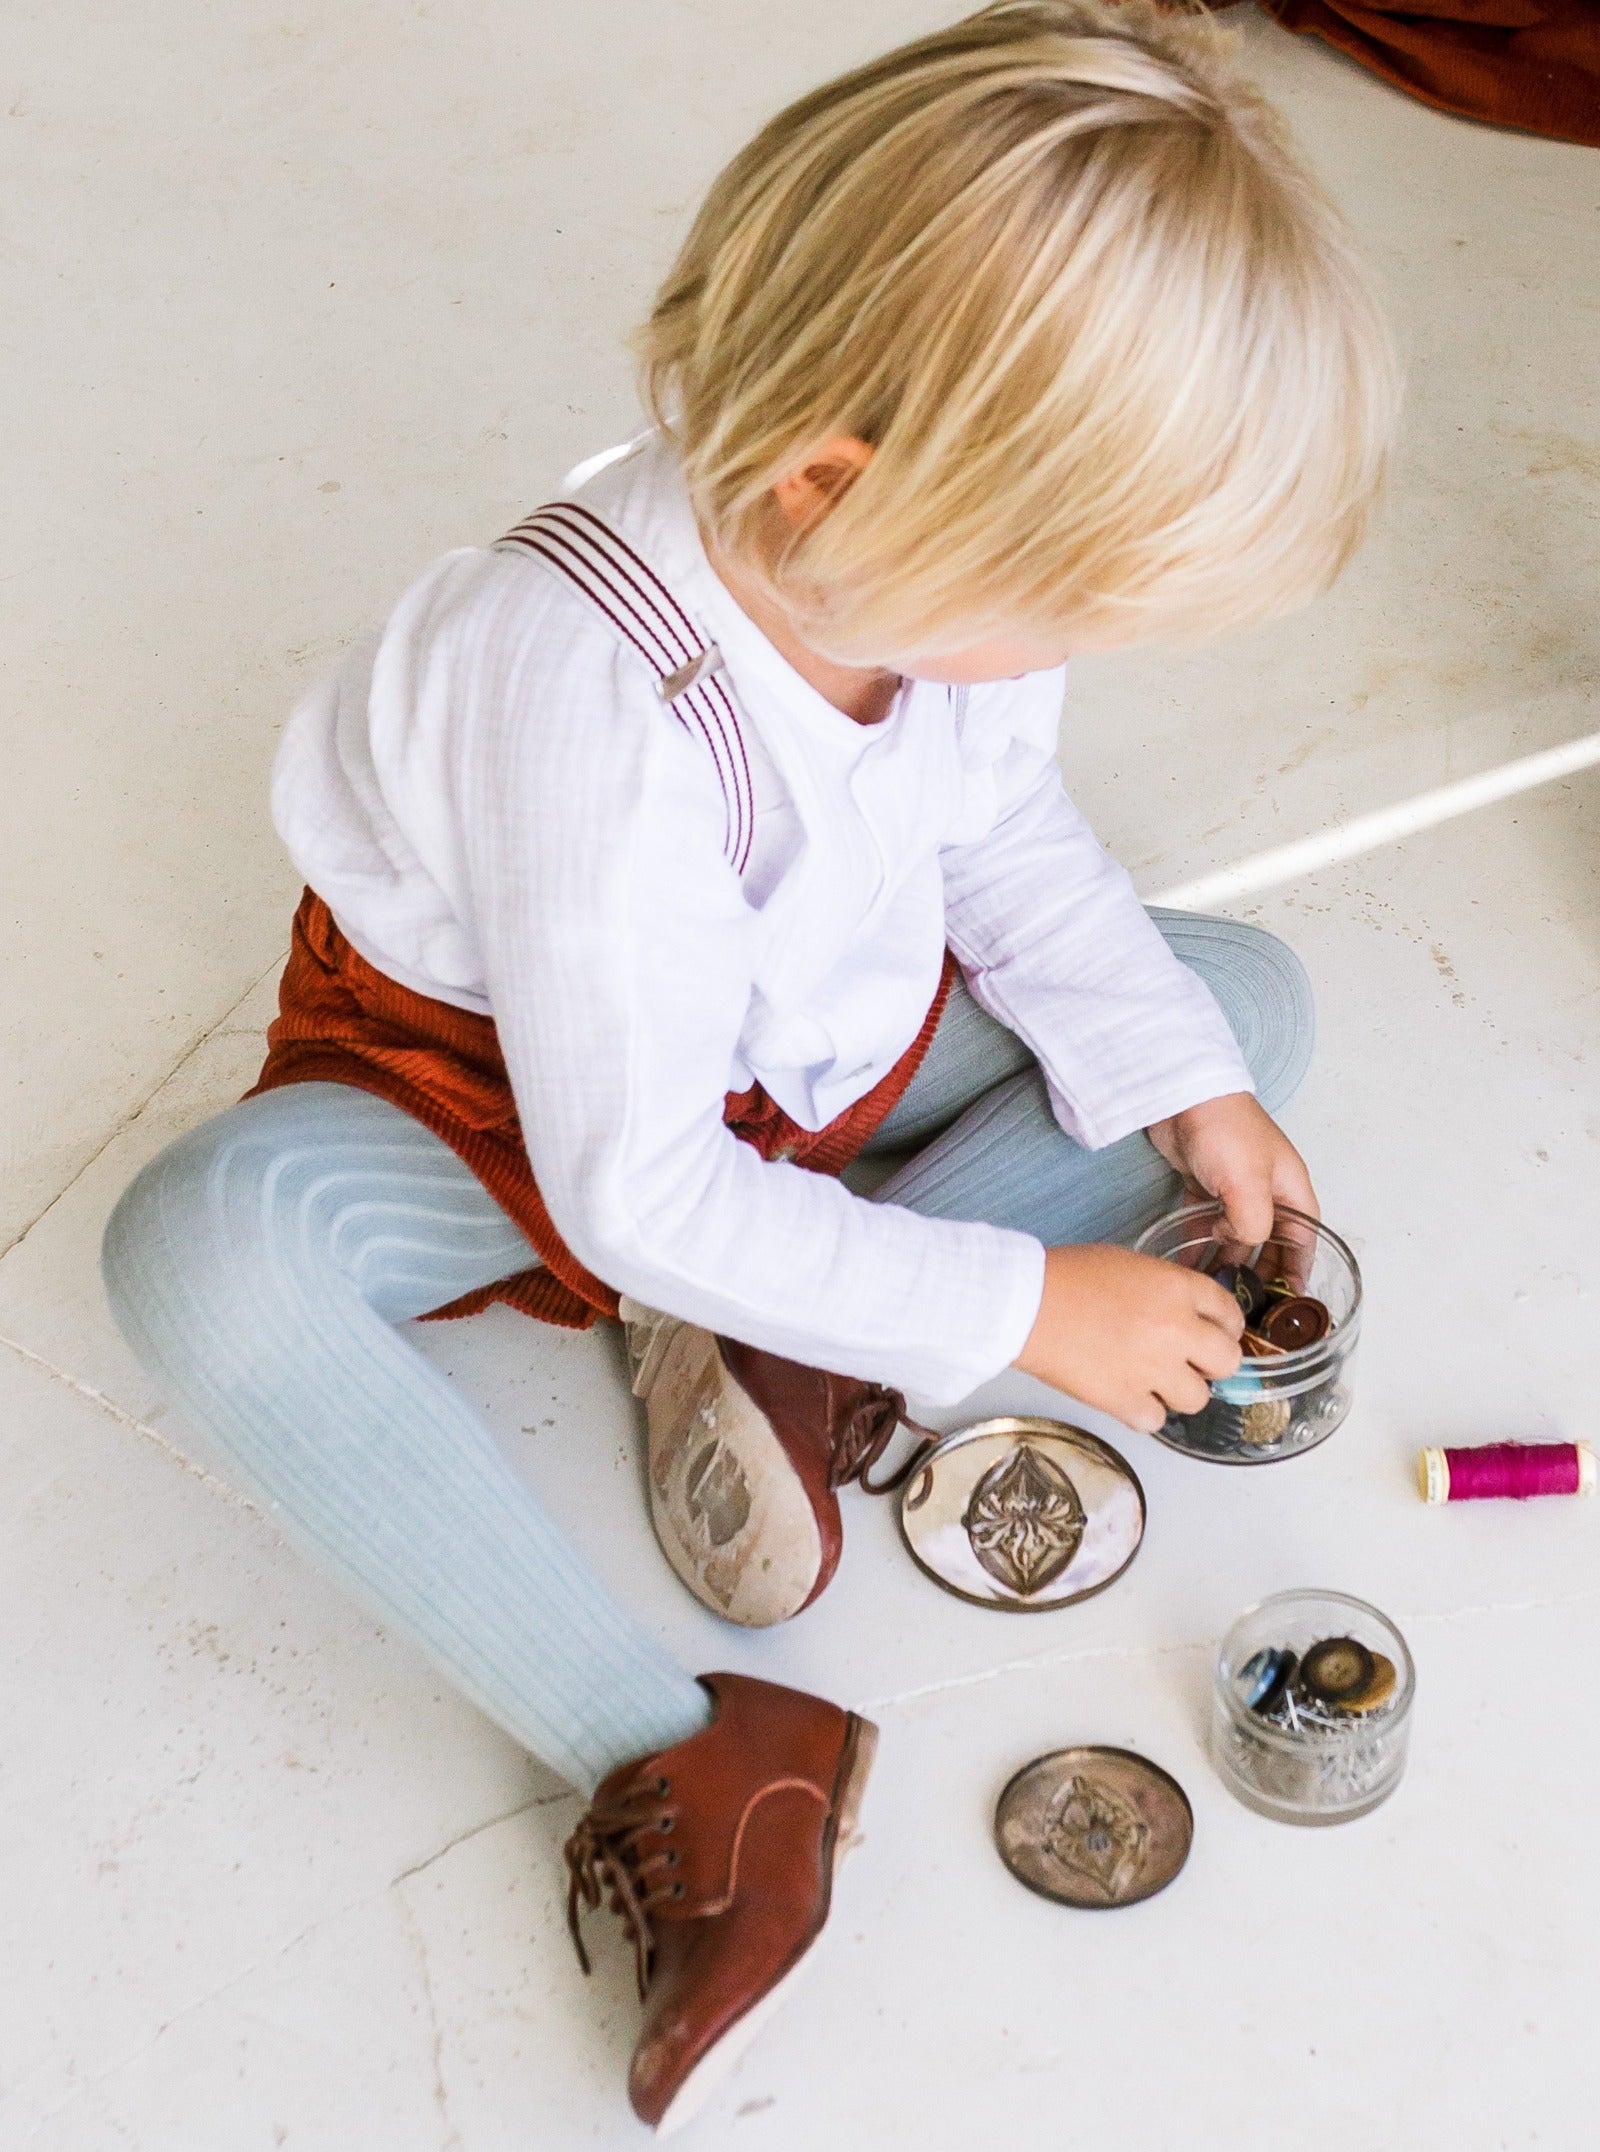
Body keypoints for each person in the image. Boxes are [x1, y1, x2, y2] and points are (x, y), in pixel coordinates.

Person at [101, 1, 1397, 2131]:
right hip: (495, 1100)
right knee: (204, 1260)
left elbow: (992, 831)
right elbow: (624, 1182)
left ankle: (775, 1327)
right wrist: (1018, 1305)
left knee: (1235, 999)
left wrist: (1174, 1074)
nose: (1069, 653)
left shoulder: (899, 575)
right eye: (1065, 596)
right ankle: (695, 1747)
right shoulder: (586, 698)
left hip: (800, 1052)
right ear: (832, 481)